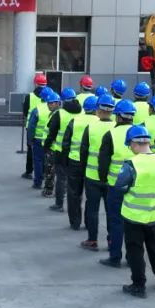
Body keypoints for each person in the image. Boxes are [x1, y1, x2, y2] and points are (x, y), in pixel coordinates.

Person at [118, 125, 155, 297]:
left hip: (133, 216)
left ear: (134, 144)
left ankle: (138, 285)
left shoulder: (131, 164)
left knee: (135, 251)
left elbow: (120, 185)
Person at [98, 99, 136, 267]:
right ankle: (132, 257)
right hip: (135, 186)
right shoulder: (141, 133)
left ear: (118, 116)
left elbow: (103, 161)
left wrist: (103, 179)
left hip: (115, 185)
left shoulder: (111, 135)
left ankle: (115, 257)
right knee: (132, 224)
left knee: (115, 221)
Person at [78, 95, 116, 250]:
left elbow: (83, 151)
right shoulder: (116, 128)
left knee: (92, 209)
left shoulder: (91, 127)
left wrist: (83, 170)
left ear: (98, 110)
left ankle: (92, 240)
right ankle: (111, 241)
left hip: (92, 176)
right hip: (111, 178)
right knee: (111, 211)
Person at [60, 94, 96, 231]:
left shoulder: (75, 120)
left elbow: (66, 143)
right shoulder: (99, 123)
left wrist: (65, 162)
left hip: (74, 161)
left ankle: (75, 222)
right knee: (91, 196)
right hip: (92, 164)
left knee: (74, 193)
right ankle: (89, 223)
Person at [46, 87, 80, 213]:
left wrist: (46, 146)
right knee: (74, 181)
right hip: (77, 153)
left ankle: (59, 204)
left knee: (61, 178)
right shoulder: (82, 113)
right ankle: (74, 206)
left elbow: (51, 133)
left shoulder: (59, 114)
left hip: (60, 151)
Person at [27, 89, 59, 191]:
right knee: (48, 161)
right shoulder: (57, 111)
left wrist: (30, 139)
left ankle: (38, 182)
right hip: (51, 141)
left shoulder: (37, 109)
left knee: (38, 160)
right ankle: (47, 178)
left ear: (41, 97)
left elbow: (31, 126)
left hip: (38, 140)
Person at [21, 72, 49, 179]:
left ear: (36, 84)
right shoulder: (49, 95)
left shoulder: (30, 96)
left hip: (31, 127)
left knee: (30, 149)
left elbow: (25, 111)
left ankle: (29, 171)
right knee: (45, 150)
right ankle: (44, 172)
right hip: (46, 128)